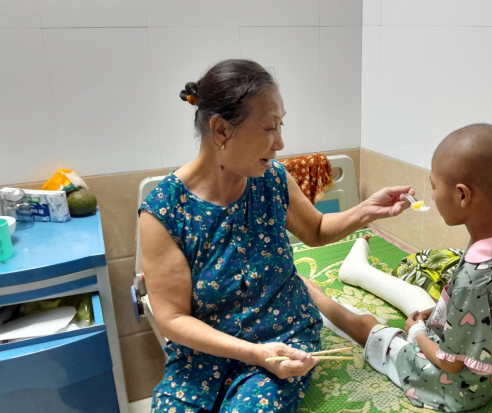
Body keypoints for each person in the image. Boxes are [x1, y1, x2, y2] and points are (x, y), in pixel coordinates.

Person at [138, 59, 414, 413]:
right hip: (201, 357)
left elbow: (315, 230)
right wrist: (253, 354)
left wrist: (366, 211)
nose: (280, 142)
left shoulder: (271, 179)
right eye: (269, 128)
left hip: (281, 338)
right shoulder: (164, 211)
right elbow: (173, 319)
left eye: (280, 125)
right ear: (221, 130)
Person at [304, 124, 492, 412]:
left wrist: (416, 333)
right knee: (422, 307)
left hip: (455, 389)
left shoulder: (474, 280)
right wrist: (438, 312)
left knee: (369, 327)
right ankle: (357, 272)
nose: (433, 195)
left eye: (435, 186)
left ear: (462, 195)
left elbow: (449, 363)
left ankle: (313, 295)